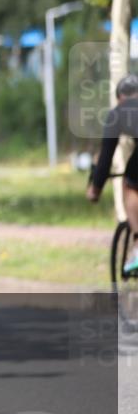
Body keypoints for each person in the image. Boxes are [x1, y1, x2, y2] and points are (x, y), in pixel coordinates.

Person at [87, 73, 138, 274]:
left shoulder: (117, 113)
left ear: (119, 98)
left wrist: (95, 189)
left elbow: (106, 157)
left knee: (130, 184)